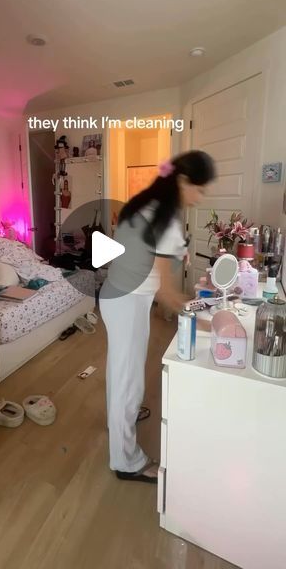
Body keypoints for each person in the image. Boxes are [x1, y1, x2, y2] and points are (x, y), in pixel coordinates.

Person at [99, 150, 216, 483]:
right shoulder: (168, 221)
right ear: (182, 181)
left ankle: (116, 422)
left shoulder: (141, 204)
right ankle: (126, 461)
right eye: (200, 188)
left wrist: (179, 254)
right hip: (129, 302)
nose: (200, 197)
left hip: (114, 296)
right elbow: (166, 294)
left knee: (119, 371)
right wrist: (202, 317)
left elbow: (144, 254)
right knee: (129, 381)